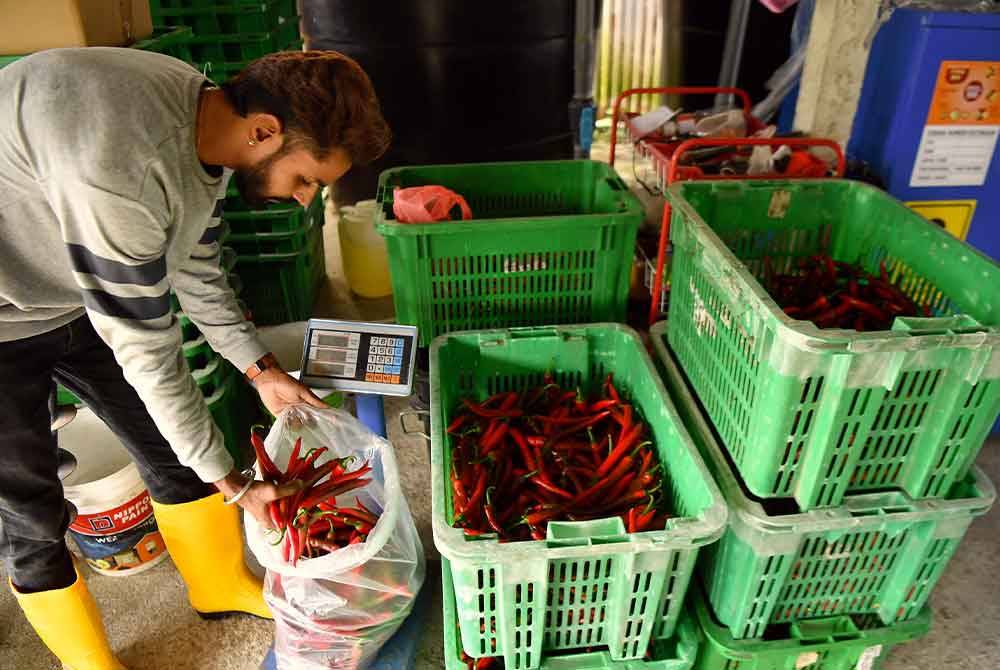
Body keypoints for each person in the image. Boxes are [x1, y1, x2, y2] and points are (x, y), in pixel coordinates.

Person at [0, 48, 390, 669]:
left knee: (174, 448)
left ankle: (217, 585)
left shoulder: (206, 119)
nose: (303, 201)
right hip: (5, 312)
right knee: (29, 507)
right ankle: (87, 660)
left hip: (69, 286)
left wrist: (261, 371)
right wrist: (233, 484)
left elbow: (196, 266)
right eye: (307, 179)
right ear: (264, 130)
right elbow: (147, 349)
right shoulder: (124, 170)